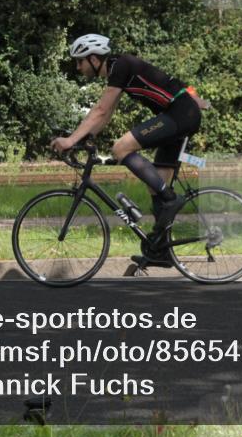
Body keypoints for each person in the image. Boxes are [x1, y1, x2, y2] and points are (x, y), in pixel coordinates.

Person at [50, 33, 208, 267]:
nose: (78, 67)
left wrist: (71, 140)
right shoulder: (118, 70)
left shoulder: (120, 65)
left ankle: (171, 199)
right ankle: (162, 251)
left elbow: (100, 110)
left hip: (181, 114)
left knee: (121, 147)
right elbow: (106, 113)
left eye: (80, 61)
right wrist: (88, 138)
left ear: (94, 59)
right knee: (155, 185)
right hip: (178, 115)